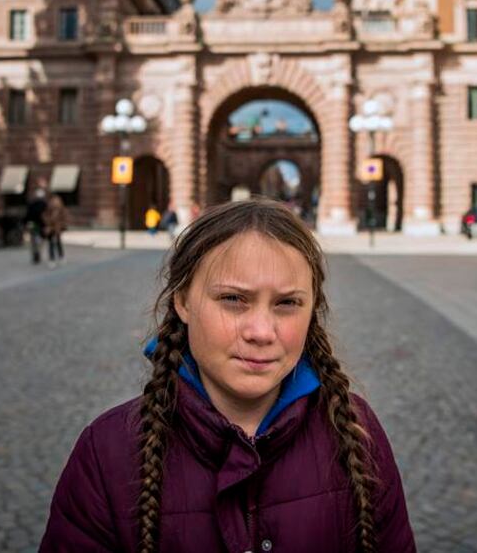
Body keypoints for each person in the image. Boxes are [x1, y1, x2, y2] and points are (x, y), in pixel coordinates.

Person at [41, 199, 415, 552]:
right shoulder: (107, 453)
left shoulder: (357, 433)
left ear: (312, 309)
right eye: (234, 299)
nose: (261, 331)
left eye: (287, 303)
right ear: (184, 300)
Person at [43, 194, 70, 269]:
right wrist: (48, 223)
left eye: (56, 201)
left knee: (58, 243)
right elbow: (44, 217)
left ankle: (61, 257)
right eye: (54, 201)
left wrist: (61, 226)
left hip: (57, 229)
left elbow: (65, 219)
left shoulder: (62, 210)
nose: (55, 202)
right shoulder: (49, 210)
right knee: (51, 243)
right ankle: (52, 259)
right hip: (50, 228)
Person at [25, 187, 47, 264]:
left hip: (33, 223)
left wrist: (26, 223)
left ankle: (35, 253)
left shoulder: (32, 204)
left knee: (33, 239)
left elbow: (27, 215)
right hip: (41, 224)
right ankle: (38, 253)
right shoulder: (44, 205)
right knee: (40, 239)